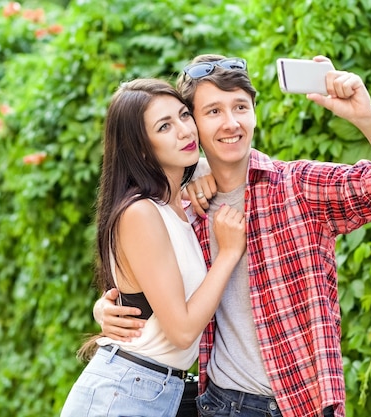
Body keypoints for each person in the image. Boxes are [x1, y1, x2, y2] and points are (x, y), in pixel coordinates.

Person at [93, 55, 371, 417]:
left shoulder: (297, 186)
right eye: (213, 112)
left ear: (254, 112)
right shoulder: (185, 209)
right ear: (196, 125)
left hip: (302, 403)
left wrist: (367, 118)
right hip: (220, 403)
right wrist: (109, 308)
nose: (231, 123)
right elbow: (159, 292)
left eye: (240, 106)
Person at [59, 78, 246, 417]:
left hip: (155, 391)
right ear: (141, 147)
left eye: (184, 115)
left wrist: (203, 171)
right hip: (124, 393)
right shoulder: (140, 212)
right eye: (164, 126)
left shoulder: (177, 204)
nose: (185, 131)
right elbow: (182, 330)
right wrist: (229, 254)